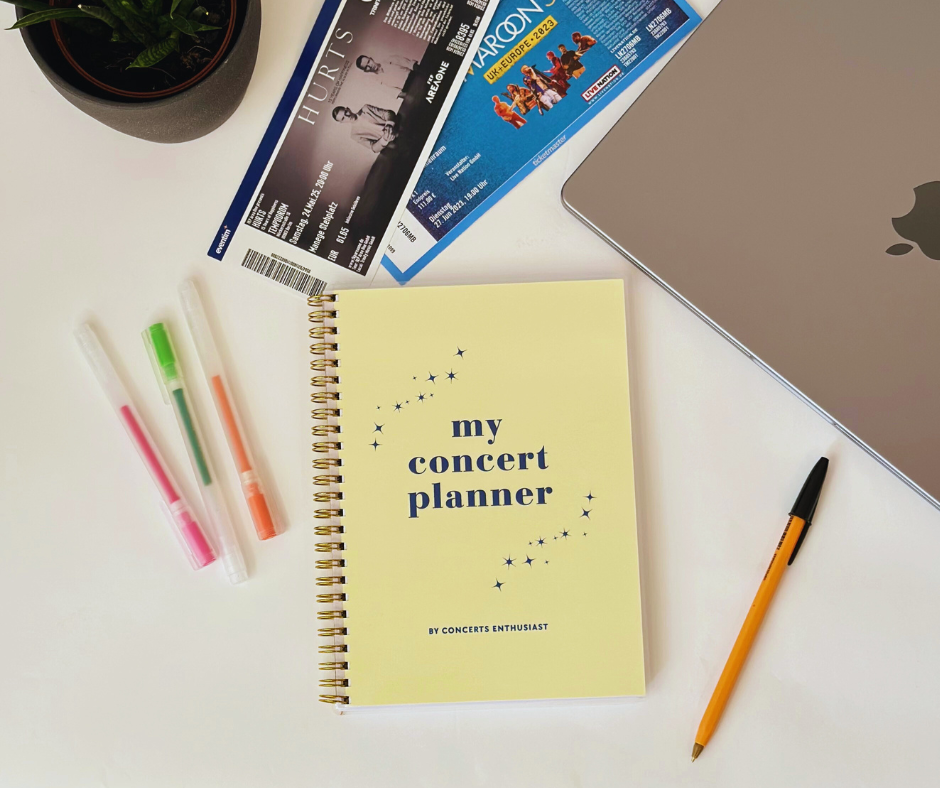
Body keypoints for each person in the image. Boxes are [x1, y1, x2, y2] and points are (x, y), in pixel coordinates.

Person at [332, 104, 399, 153]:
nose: (347, 116)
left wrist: (389, 125)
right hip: (394, 146)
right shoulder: (354, 135)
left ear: (348, 109)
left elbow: (388, 113)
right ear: (341, 122)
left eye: (346, 112)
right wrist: (384, 139)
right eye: (343, 118)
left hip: (400, 128)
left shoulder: (366, 109)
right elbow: (374, 148)